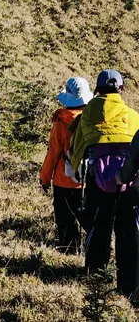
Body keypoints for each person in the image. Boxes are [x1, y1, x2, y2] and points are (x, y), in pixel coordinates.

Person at [70, 69, 139, 299]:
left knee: (99, 225)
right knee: (127, 230)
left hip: (97, 180)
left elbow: (77, 144)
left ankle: (95, 274)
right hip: (127, 182)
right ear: (121, 88)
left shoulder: (88, 112)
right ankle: (127, 285)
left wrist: (76, 169)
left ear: (98, 88)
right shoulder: (132, 115)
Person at [40, 76, 93, 253]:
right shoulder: (92, 118)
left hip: (64, 179)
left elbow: (53, 153)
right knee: (88, 217)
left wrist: (45, 178)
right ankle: (98, 245)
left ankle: (69, 249)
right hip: (88, 177)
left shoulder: (61, 121)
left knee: (65, 218)